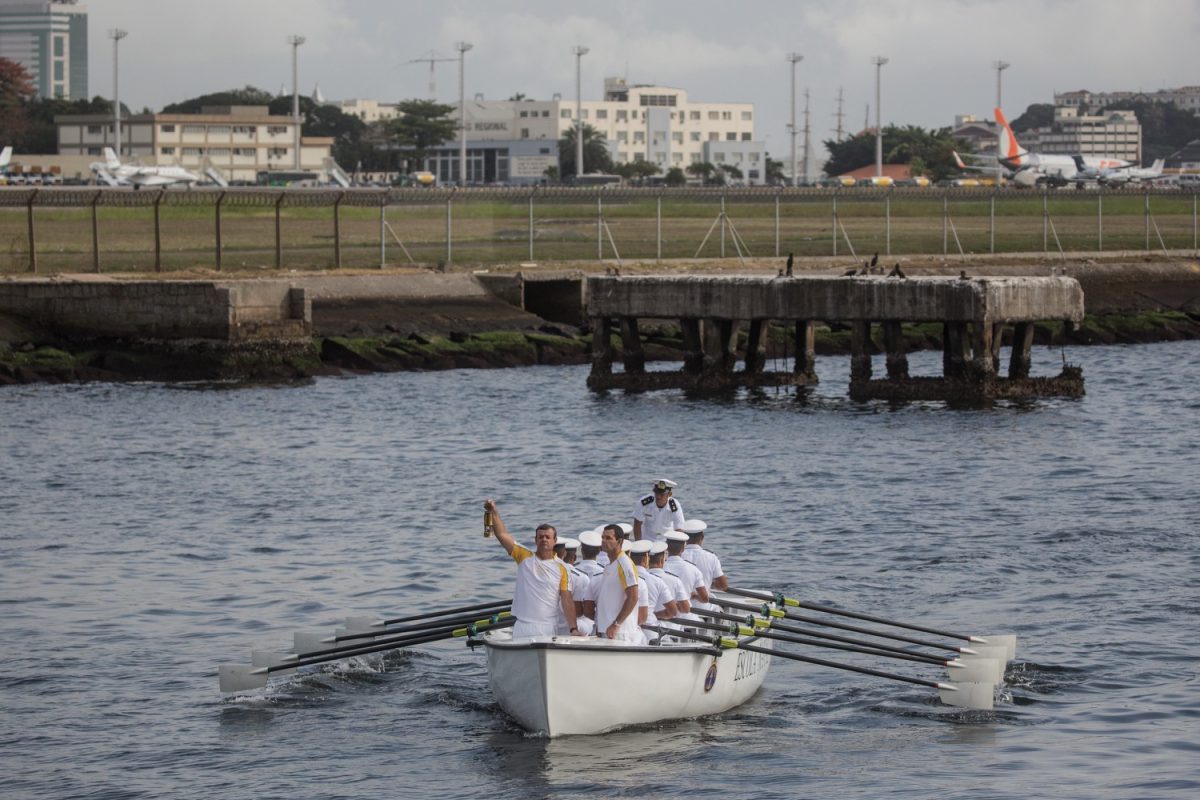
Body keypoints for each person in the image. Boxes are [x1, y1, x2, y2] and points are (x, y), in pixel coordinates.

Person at [483, 499, 580, 639]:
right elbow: (502, 534)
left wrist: (573, 629)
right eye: (540, 537)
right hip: (523, 625)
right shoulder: (523, 556)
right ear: (535, 540)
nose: (544, 539)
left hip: (547, 626)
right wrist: (493, 512)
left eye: (548, 537)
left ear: (554, 541)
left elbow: (567, 599)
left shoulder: (562, 568)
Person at [583, 523, 642, 642]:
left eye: (609, 538)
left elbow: (633, 597)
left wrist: (616, 624)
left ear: (619, 541)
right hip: (608, 631)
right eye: (603, 537)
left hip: (620, 633)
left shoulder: (625, 564)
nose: (604, 541)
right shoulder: (611, 565)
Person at [663, 529, 709, 608]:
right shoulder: (694, 570)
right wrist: (694, 596)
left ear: (666, 548)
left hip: (663, 614)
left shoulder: (659, 569)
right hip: (685, 615)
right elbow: (704, 598)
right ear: (683, 548)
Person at [680, 519, 728, 592]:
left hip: (680, 602)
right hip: (703, 602)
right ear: (702, 537)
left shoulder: (677, 556)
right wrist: (710, 583)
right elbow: (723, 586)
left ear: (684, 538)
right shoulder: (711, 557)